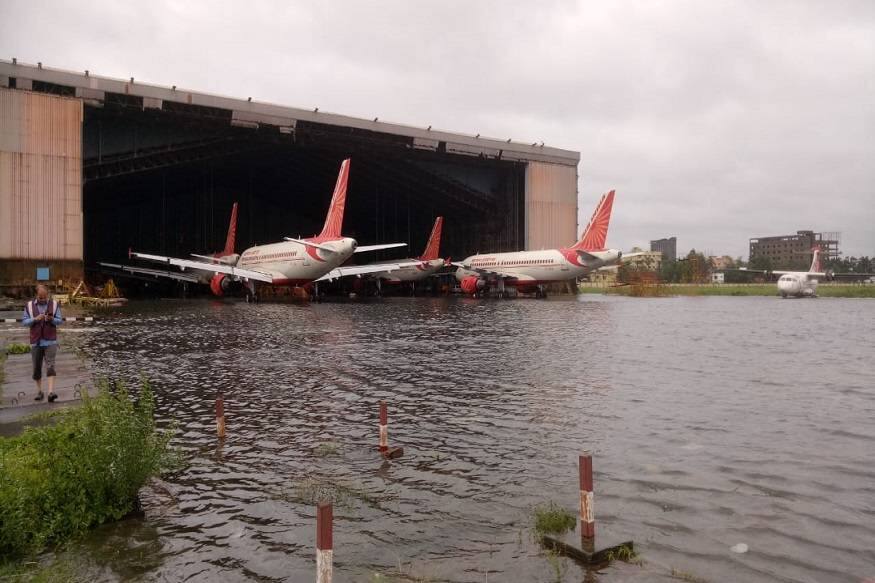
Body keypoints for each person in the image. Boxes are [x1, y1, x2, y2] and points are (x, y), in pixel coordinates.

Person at [22, 284, 63, 402]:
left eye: (44, 297)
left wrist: (51, 319)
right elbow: (24, 322)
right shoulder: (29, 306)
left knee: (51, 366)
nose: (43, 300)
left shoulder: (54, 304)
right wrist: (34, 319)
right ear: (36, 295)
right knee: (36, 368)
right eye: (40, 297)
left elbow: (60, 321)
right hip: (36, 341)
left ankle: (50, 392)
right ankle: (40, 391)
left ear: (47, 295)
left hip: (50, 341)